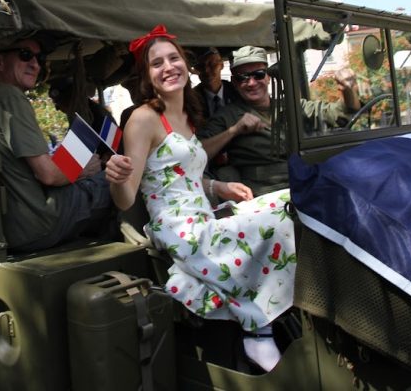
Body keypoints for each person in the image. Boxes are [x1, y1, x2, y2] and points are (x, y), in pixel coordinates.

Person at [105, 25, 296, 372]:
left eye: (173, 58)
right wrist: (117, 178)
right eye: (156, 63)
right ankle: (259, 329)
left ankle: (279, 314)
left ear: (185, 63)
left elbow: (184, 174)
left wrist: (218, 188)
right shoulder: (143, 119)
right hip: (180, 230)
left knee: (289, 202)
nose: (168, 67)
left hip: (205, 213)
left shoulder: (185, 116)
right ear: (147, 75)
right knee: (278, 219)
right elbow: (126, 197)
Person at [0, 36, 112, 252]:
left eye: (39, 57)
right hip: (40, 220)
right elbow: (49, 175)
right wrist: (84, 169)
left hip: (14, 223)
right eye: (25, 55)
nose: (35, 64)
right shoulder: (8, 96)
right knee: (121, 179)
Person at [199, 45, 361, 196]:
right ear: (234, 82)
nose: (251, 83)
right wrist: (234, 130)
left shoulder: (291, 106)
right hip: (263, 194)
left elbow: (340, 116)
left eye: (259, 74)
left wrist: (349, 90)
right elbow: (196, 153)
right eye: (243, 77)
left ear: (268, 77)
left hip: (306, 183)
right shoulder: (227, 116)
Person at [191, 47, 238, 119]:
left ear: (221, 65)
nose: (206, 70)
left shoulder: (236, 91)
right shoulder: (192, 98)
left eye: (212, 64)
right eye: (201, 66)